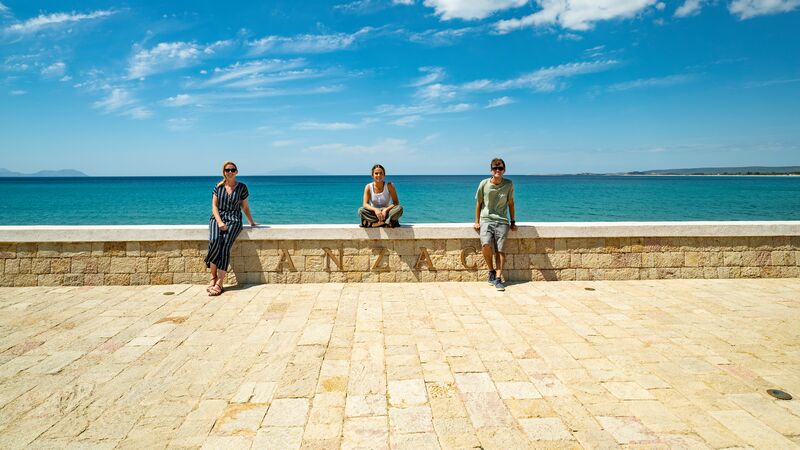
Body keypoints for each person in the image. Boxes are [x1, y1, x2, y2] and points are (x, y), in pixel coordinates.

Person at [205, 161, 256, 296]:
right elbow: (214, 207)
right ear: (224, 172)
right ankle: (213, 277)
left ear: (236, 172)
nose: (230, 172)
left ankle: (219, 283)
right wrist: (220, 222)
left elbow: (244, 207)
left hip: (234, 220)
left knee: (226, 245)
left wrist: (251, 222)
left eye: (233, 170)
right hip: (217, 219)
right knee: (215, 241)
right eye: (227, 170)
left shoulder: (242, 187)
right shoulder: (218, 187)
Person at [474, 157, 517, 291]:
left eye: (500, 168)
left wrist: (513, 221)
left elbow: (510, 203)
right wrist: (476, 221)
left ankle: (498, 278)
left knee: (500, 250)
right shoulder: (484, 183)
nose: (497, 170)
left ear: (504, 170)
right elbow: (479, 203)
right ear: (491, 170)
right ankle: (491, 270)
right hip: (486, 219)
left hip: (502, 221)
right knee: (486, 244)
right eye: (495, 168)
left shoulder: (509, 184)